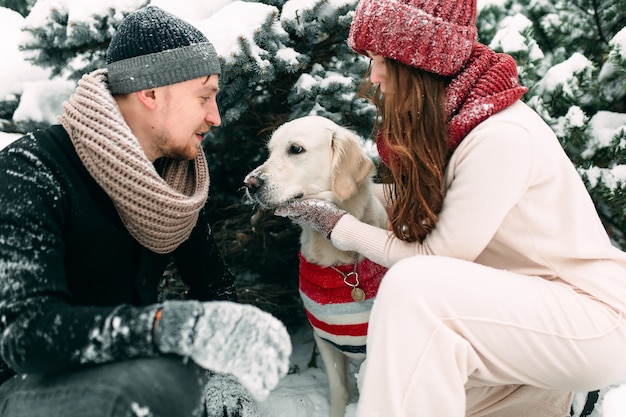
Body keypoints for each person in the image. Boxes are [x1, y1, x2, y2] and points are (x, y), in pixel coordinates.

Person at [274, 0, 626, 415]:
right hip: (513, 317)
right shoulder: (454, 126)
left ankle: (560, 385)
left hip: (588, 321)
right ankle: (547, 398)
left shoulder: (501, 135)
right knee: (385, 375)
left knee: (414, 288)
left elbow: (434, 257)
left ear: (418, 61)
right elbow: (424, 207)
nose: (374, 76)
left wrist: (338, 225)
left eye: (382, 60)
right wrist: (329, 196)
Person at [0, 6, 290, 417]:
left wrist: (225, 375)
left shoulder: (173, 183)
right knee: (159, 382)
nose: (216, 117)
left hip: (128, 378)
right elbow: (26, 336)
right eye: (204, 96)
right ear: (150, 93)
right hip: (25, 387)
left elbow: (213, 286)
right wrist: (160, 327)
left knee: (167, 381)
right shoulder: (33, 171)